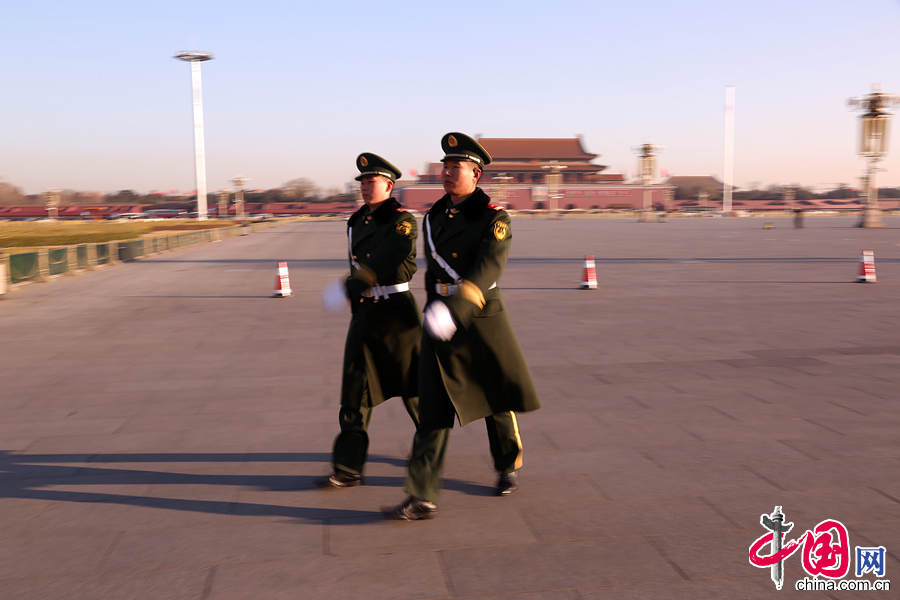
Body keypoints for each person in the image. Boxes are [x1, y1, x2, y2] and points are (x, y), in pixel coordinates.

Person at [382, 133, 541, 520]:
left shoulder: (493, 216)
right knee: (433, 408)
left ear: (476, 173)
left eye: (457, 168)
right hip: (440, 321)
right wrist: (433, 306)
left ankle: (507, 465)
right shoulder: (435, 215)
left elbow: (489, 268)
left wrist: (454, 308)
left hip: (479, 319)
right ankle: (422, 495)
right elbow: (434, 268)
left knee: (495, 400)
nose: (448, 173)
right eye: (446, 167)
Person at [317, 153, 421, 488]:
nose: (364, 187)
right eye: (361, 181)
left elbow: (391, 254)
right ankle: (348, 466)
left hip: (396, 311)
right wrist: (356, 292)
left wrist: (353, 284)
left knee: (414, 389)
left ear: (389, 186)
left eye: (371, 181)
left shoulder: (404, 220)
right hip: (365, 312)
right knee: (354, 390)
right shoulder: (356, 220)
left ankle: (428, 450)